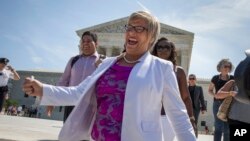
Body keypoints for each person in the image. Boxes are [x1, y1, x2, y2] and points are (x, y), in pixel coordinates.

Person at [23, 11, 196, 141]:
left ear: (151, 37)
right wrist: (42, 89)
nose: (131, 32)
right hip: (99, 137)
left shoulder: (162, 68)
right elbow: (78, 92)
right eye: (129, 27)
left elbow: (178, 115)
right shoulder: (107, 64)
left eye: (139, 28)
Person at [46, 31, 104, 125]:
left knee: (86, 137)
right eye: (83, 41)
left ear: (96, 44)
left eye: (89, 41)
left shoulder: (103, 61)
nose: (85, 43)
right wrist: (52, 99)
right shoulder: (73, 60)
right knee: (68, 136)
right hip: (71, 103)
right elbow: (64, 81)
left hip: (91, 106)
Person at [151, 37, 197, 139]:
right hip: (151, 117)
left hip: (169, 118)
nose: (163, 50)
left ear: (171, 50)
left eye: (167, 47)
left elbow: (185, 97)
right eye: (160, 47)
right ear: (155, 50)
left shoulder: (178, 71)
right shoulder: (149, 69)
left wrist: (191, 118)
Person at [208, 58, 234, 141]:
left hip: (229, 105)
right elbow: (210, 90)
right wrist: (215, 95)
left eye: (229, 66)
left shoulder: (233, 78)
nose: (227, 68)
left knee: (227, 128)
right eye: (225, 66)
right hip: (217, 104)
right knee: (218, 126)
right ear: (220, 67)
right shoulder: (215, 78)